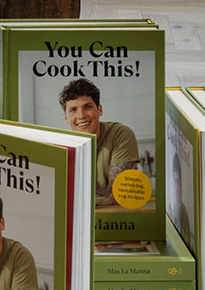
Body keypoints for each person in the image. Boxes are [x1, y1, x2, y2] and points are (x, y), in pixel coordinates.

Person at [56, 77, 142, 208]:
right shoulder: (59, 146)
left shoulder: (120, 134)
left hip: (115, 220)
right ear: (66, 117)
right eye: (73, 110)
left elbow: (119, 193)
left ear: (99, 110)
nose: (81, 115)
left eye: (87, 107)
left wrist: (75, 198)